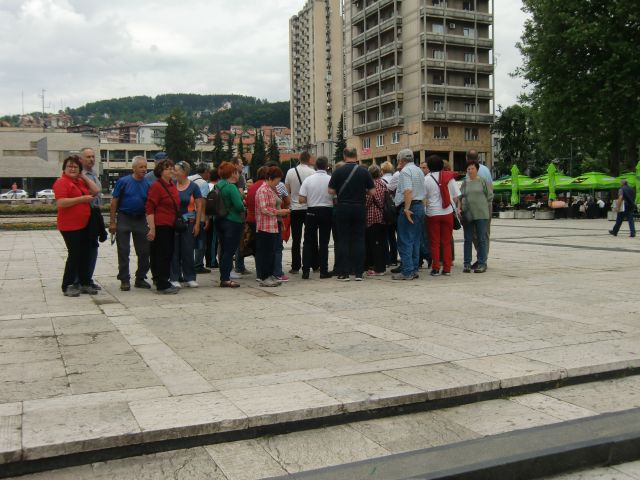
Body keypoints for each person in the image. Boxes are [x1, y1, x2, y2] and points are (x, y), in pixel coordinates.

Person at [53, 155, 101, 297]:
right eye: (70, 166)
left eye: (76, 167)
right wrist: (82, 199)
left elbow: (96, 191)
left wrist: (84, 177)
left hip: (84, 225)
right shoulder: (61, 182)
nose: (73, 169)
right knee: (74, 254)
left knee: (85, 254)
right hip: (70, 226)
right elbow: (61, 202)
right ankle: (67, 284)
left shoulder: (80, 181)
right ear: (64, 168)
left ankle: (85, 283)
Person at [328, 148, 375, 281]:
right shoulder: (364, 171)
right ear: (356, 155)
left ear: (344, 156)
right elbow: (372, 192)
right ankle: (359, 272)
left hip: (343, 207)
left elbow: (330, 190)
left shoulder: (338, 171)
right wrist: (361, 191)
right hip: (359, 207)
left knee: (343, 240)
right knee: (359, 239)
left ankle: (344, 272)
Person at [109, 156, 152, 291]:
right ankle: (124, 279)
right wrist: (112, 222)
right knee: (123, 250)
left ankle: (140, 277)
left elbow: (150, 205)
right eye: (141, 167)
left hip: (140, 219)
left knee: (144, 251)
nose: (144, 170)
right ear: (133, 168)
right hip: (124, 218)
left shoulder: (148, 184)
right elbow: (114, 202)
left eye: (145, 167)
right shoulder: (123, 182)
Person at [145, 159, 179, 294]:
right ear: (160, 171)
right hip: (161, 225)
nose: (171, 171)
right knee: (162, 254)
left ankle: (162, 279)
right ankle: (162, 283)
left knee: (167, 253)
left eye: (172, 168)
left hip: (170, 225)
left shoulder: (172, 185)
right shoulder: (156, 186)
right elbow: (150, 207)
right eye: (167, 168)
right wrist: (152, 228)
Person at [392, 149, 426, 280]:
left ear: (401, 159)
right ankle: (414, 268)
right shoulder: (419, 170)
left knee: (405, 240)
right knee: (415, 240)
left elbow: (407, 190)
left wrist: (406, 209)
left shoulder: (405, 171)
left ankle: (407, 271)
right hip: (418, 207)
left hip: (409, 207)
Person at [168, 162, 203, 288]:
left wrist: (197, 224)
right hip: (174, 223)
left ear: (184, 172)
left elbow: (199, 207)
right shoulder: (171, 185)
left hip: (189, 223)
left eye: (176, 170)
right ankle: (174, 277)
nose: (173, 172)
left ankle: (190, 277)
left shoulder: (193, 187)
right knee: (174, 250)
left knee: (188, 250)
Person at [299, 156, 334, 279]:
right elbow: (335, 197)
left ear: (315, 166)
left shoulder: (308, 180)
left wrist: (312, 200)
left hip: (312, 211)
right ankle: (323, 270)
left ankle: (305, 270)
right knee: (324, 242)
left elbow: (301, 199)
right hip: (327, 211)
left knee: (308, 241)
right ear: (327, 166)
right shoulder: (331, 179)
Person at [255, 166, 290, 287]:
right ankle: (264, 277)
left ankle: (270, 276)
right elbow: (264, 209)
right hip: (265, 227)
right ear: (270, 178)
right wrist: (280, 212)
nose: (278, 183)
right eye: (277, 180)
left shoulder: (270, 189)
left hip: (272, 226)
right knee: (265, 253)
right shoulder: (263, 190)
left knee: (270, 253)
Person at [424, 154, 457, 276]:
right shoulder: (449, 178)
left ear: (429, 166)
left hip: (432, 213)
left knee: (434, 242)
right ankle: (447, 268)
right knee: (446, 241)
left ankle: (436, 267)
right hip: (447, 212)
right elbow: (455, 196)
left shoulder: (426, 179)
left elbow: (424, 197)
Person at [215, 161, 246, 288]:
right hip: (232, 221)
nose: (238, 174)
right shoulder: (231, 187)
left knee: (223, 249)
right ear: (232, 174)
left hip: (219, 220)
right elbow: (239, 206)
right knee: (229, 251)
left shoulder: (219, 185)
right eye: (236, 172)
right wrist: (243, 205)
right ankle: (226, 278)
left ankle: (223, 275)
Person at [460, 159, 494, 273]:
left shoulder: (483, 181)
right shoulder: (464, 182)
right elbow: (461, 196)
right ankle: (466, 264)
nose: (470, 171)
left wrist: (482, 205)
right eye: (468, 169)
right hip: (468, 214)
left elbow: (489, 196)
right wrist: (461, 208)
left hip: (481, 213)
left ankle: (482, 263)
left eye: (472, 168)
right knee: (468, 239)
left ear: (477, 169)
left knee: (481, 239)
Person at [285, 151, 315, 274]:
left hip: (295, 208)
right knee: (310, 238)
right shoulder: (312, 172)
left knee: (296, 239)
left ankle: (295, 266)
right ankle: (313, 263)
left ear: (299, 158)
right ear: (309, 160)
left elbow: (287, 191)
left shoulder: (290, 172)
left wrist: (290, 203)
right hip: (308, 208)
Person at [79, 147, 103, 290]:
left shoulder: (93, 174)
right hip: (86, 214)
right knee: (85, 248)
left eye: (93, 156)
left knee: (93, 246)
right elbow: (93, 192)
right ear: (81, 159)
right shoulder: (80, 176)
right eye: (88, 157)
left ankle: (88, 278)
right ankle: (81, 280)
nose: (91, 159)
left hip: (95, 213)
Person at [365, 164, 388, 276]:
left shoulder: (372, 185)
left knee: (374, 244)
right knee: (381, 242)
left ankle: (378, 268)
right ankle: (382, 266)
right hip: (382, 216)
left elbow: (368, 201)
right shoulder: (383, 183)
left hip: (372, 216)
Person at [188, 164, 211, 274]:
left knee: (188, 241)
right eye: (209, 172)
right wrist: (205, 217)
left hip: (187, 215)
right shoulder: (203, 183)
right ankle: (198, 264)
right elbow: (203, 201)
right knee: (201, 241)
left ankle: (188, 264)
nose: (209, 174)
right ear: (205, 171)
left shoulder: (189, 179)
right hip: (198, 216)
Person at [231, 156, 250, 276]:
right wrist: (245, 197)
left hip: (226, 213)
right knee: (239, 240)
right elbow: (241, 194)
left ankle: (229, 267)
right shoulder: (240, 177)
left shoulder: (224, 177)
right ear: (235, 164)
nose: (243, 165)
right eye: (241, 163)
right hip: (238, 213)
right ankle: (239, 266)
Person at [380, 161, 398, 266]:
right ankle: (394, 258)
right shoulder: (396, 178)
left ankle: (387, 259)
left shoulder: (382, 181)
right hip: (396, 208)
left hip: (387, 211)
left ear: (382, 171)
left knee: (387, 235)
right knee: (395, 237)